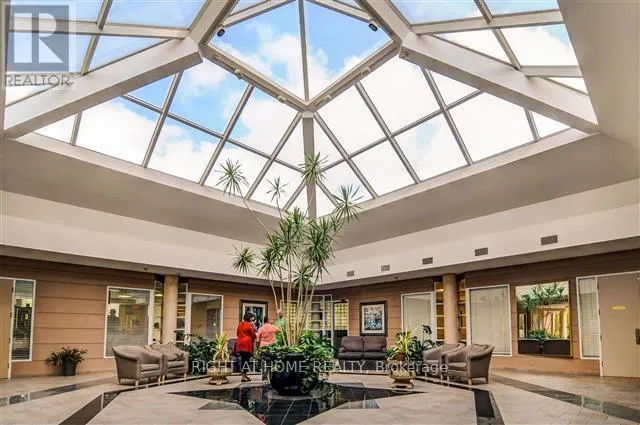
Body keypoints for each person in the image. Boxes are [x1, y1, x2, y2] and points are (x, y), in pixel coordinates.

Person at [236, 312, 257, 382]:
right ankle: (243, 376)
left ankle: (244, 375)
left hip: (240, 343)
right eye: (252, 317)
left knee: (243, 359)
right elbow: (253, 334)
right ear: (249, 318)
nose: (253, 318)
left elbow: (237, 333)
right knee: (246, 360)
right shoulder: (250, 324)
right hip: (247, 344)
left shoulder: (240, 324)